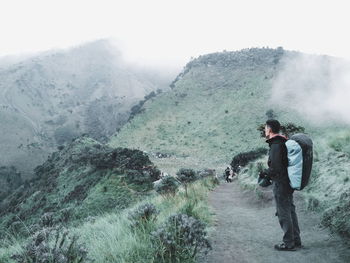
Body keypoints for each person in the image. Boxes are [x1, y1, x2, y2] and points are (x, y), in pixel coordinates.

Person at [260, 119, 301, 251]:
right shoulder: (282, 142)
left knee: (283, 212)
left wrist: (265, 172)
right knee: (290, 209)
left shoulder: (276, 145)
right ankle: (296, 240)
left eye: (265, 128)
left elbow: (276, 168)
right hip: (287, 182)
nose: (265, 130)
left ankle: (288, 243)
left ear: (270, 129)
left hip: (281, 183)